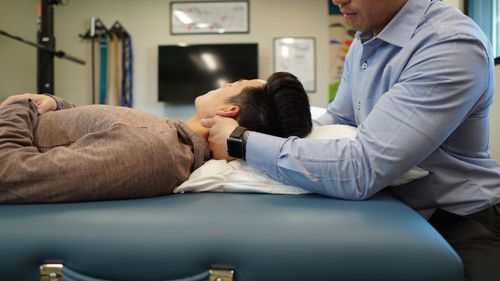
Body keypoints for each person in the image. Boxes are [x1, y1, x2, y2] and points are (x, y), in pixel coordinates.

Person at [202, 1, 500, 280]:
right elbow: (339, 120)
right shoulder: (364, 41)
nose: (337, 0)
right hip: (392, 211)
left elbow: (362, 169)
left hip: (461, 220)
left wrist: (242, 141)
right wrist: (273, 131)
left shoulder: (449, 45)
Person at [0, 71, 312, 203]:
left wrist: (20, 107)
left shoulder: (154, 148)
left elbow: (9, 173)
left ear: (230, 110)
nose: (225, 82)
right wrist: (56, 105)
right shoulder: (164, 136)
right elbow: (76, 138)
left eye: (236, 82)